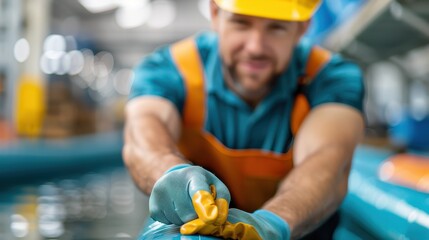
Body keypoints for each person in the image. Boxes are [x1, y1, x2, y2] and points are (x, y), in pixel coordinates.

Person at [123, 0, 365, 239]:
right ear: (215, 14)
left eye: (277, 27)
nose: (255, 47)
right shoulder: (169, 69)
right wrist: (169, 171)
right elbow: (143, 134)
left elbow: (327, 160)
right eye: (241, 23)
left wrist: (274, 223)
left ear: (302, 27)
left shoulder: (331, 78)